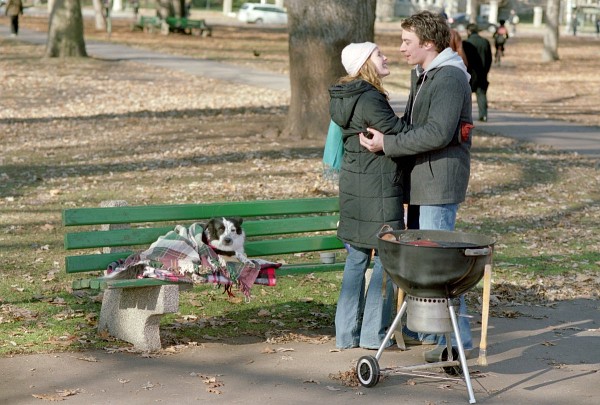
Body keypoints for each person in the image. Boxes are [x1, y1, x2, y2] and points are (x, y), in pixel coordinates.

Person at [358, 10, 474, 362]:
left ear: (428, 43)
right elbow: (413, 125)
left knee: (440, 266)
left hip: (439, 183)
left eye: (407, 41)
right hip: (422, 181)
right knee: (423, 261)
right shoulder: (424, 74)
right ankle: (428, 330)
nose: (401, 48)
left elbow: (438, 133)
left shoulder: (450, 77)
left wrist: (387, 144)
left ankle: (459, 343)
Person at [328, 42, 411, 350]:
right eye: (379, 54)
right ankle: (373, 335)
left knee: (357, 258)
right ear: (365, 63)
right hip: (378, 188)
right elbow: (399, 133)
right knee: (385, 259)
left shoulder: (344, 97)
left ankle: (346, 335)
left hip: (354, 186)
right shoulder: (370, 98)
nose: (385, 56)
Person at [465, 23, 492, 122]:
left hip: (470, 73)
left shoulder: (467, 43)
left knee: (466, 95)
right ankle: (483, 115)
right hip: (482, 72)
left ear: (469, 31)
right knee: (481, 94)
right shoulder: (485, 42)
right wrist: (486, 70)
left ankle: (466, 116)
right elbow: (489, 58)